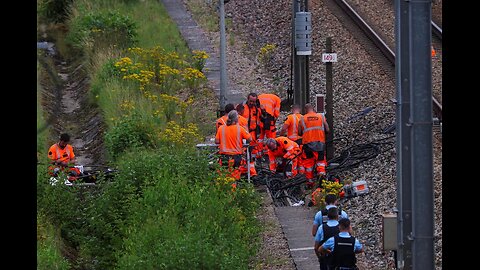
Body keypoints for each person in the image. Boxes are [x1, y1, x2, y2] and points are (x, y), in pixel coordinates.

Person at [298, 103, 330, 187]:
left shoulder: (302, 119)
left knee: (309, 164)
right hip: (320, 143)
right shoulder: (321, 117)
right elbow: (327, 129)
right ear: (314, 109)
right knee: (321, 162)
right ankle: (321, 177)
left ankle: (310, 183)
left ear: (305, 110)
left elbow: (299, 133)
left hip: (308, 145)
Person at [215, 110, 252, 180]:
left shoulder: (221, 128)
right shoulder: (240, 129)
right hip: (236, 158)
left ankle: (223, 190)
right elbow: (250, 139)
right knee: (234, 178)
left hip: (224, 158)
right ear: (236, 119)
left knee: (223, 177)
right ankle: (232, 190)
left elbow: (216, 141)